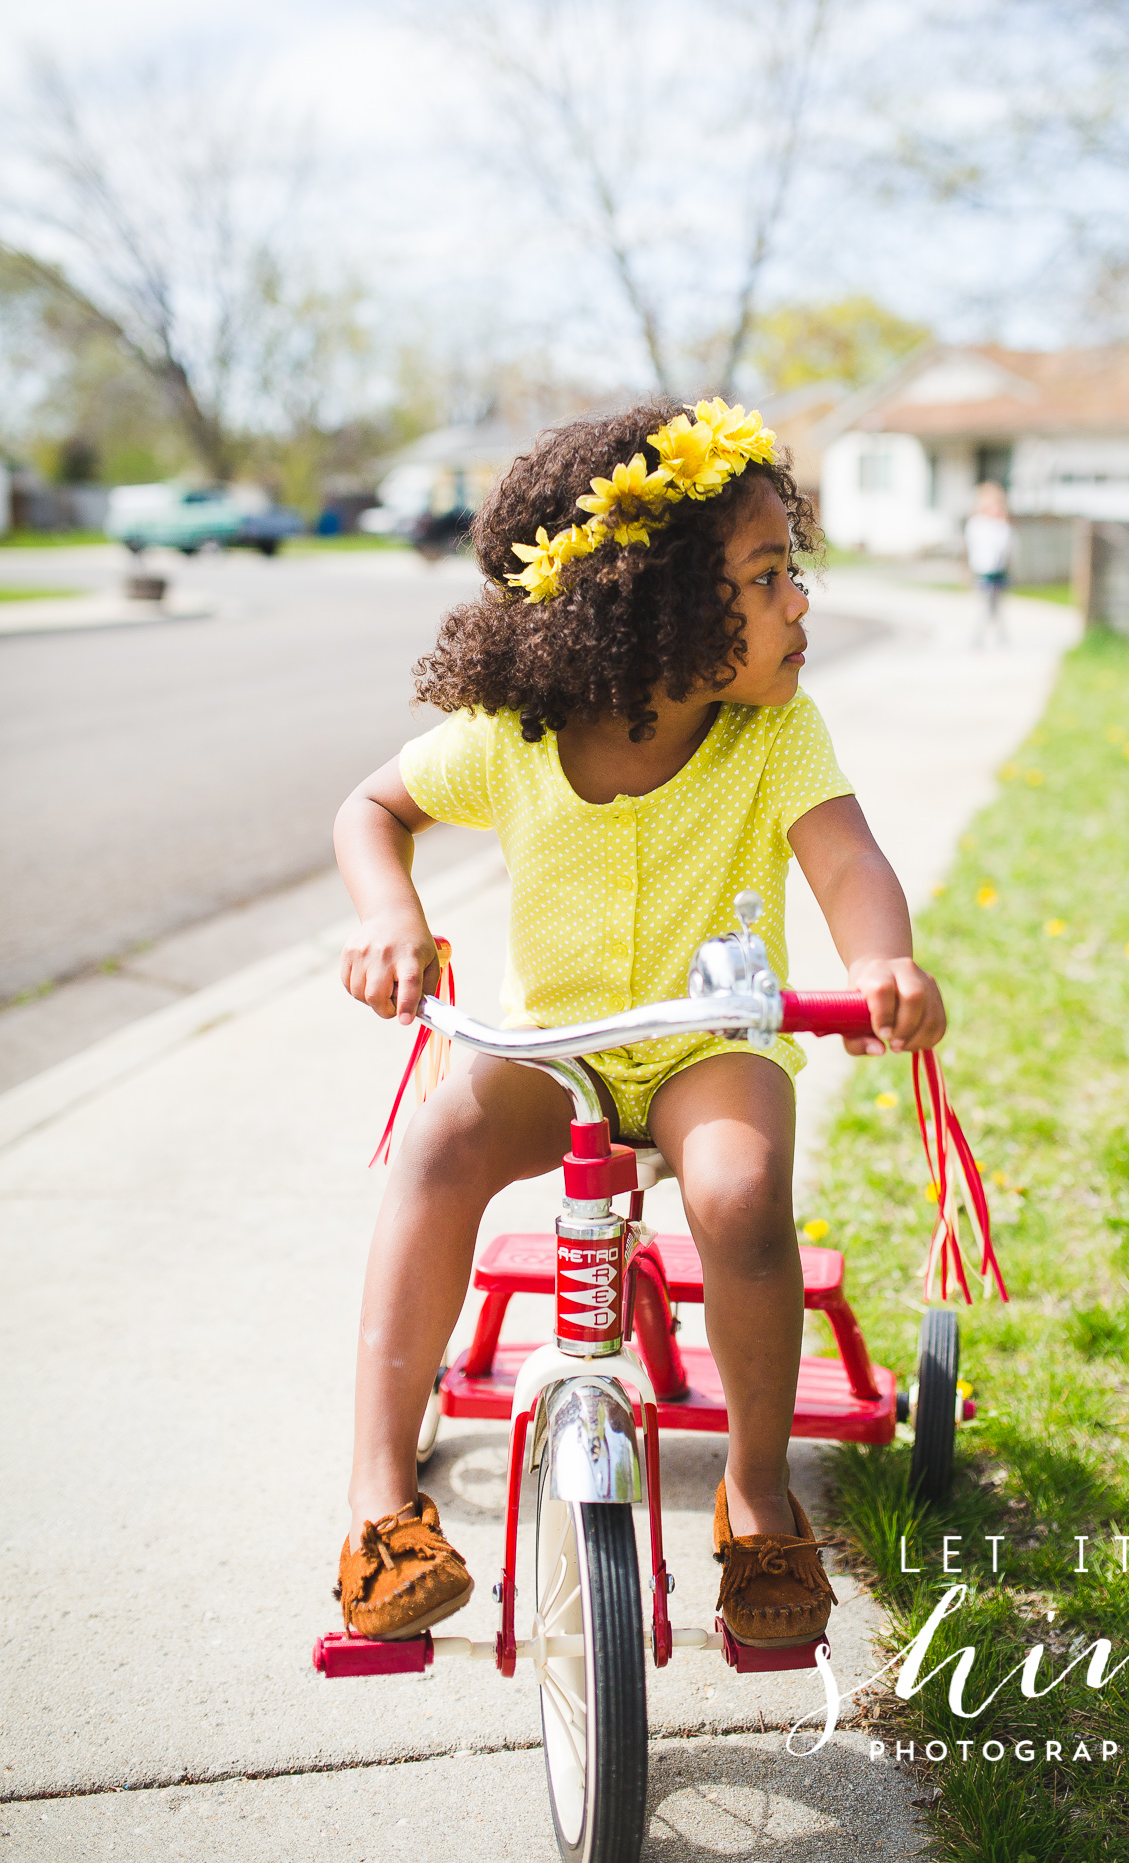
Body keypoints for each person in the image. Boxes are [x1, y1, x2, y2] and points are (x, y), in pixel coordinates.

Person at [331, 398, 946, 1651]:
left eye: (795, 571)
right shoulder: (513, 735)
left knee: (738, 1189)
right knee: (437, 1150)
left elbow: (848, 862)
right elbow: (371, 807)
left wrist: (882, 960)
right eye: (767, 576)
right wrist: (391, 915)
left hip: (707, 1043)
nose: (799, 602)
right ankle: (378, 1503)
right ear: (657, 604)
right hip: (553, 1047)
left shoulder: (775, 731)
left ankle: (757, 1495)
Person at [964, 480, 1013, 646]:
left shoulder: (1002, 527)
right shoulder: (977, 524)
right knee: (984, 609)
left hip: (999, 572)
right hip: (983, 572)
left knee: (998, 609)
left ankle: (1002, 640)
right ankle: (977, 641)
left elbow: (1007, 547)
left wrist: (1001, 524)